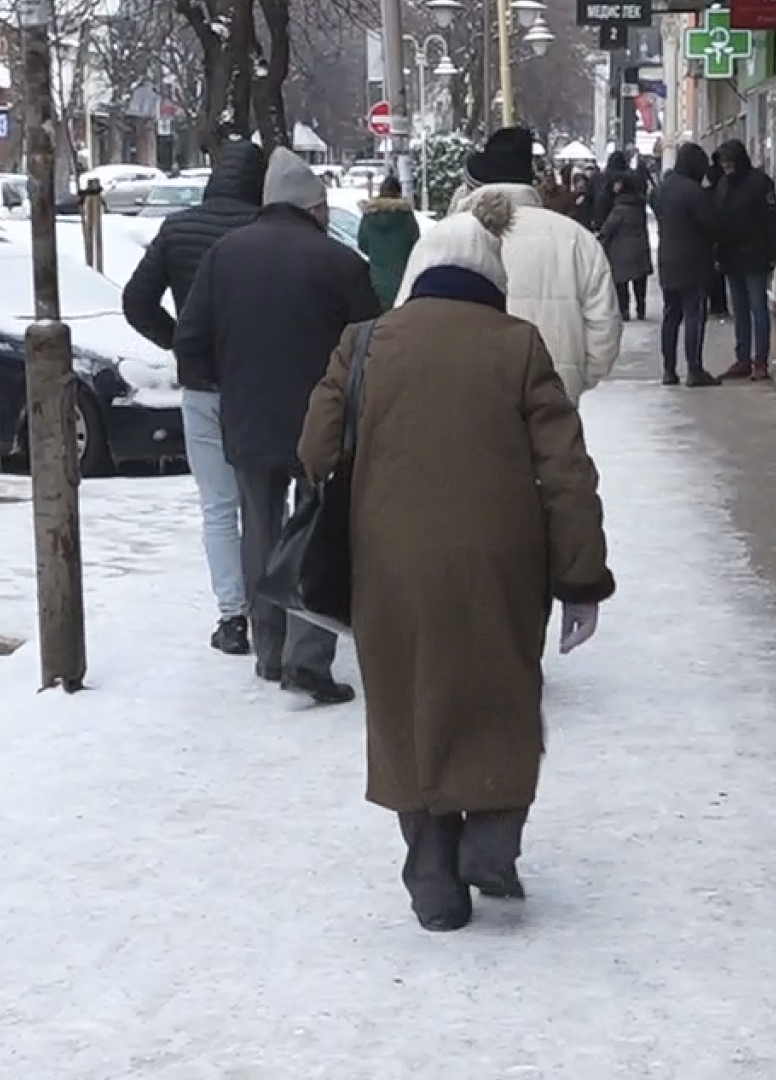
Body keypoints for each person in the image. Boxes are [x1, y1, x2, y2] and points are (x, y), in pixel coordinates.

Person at [299, 191, 614, 933]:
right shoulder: (519, 346)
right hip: (501, 561)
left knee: (407, 704)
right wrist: (580, 576)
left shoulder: (364, 343)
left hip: (389, 561)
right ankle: (491, 842)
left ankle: (434, 880)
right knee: (500, 693)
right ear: (491, 277)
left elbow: (314, 450)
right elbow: (566, 471)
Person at [172, 148, 381, 705]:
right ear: (314, 208)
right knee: (317, 529)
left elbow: (189, 338)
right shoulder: (341, 263)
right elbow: (370, 347)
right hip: (322, 421)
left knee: (259, 527)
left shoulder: (223, 255)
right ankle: (306, 657)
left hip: (248, 415)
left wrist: (227, 379)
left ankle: (267, 649)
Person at [121, 139, 268, 656]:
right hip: (259, 384)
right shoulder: (264, 230)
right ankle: (272, 611)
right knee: (265, 503)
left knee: (218, 506)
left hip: (202, 384)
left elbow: (136, 301)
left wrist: (179, 341)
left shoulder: (178, 228)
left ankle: (232, 616)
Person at [398, 127, 619, 405]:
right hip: (552, 401)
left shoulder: (440, 238)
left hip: (461, 402)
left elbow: (404, 323)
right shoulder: (576, 239)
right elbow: (604, 331)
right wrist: (570, 381)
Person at [653, 142, 723, 388]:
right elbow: (712, 226)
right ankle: (694, 369)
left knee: (671, 315)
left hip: (667, 259)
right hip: (693, 261)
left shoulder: (661, 190)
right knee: (694, 314)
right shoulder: (695, 192)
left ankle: (668, 370)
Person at [711, 139, 776, 381]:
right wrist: (718, 254)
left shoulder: (760, 184)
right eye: (723, 162)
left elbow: (773, 220)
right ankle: (743, 359)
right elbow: (718, 220)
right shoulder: (723, 185)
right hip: (732, 257)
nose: (726, 166)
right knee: (740, 311)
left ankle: (760, 361)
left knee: (758, 308)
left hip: (755, 257)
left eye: (729, 161)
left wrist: (773, 254)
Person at [356, 175, 422, 311]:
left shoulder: (369, 215)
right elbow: (416, 243)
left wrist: (377, 254)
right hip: (403, 280)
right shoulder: (405, 216)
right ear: (398, 193)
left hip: (376, 281)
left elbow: (362, 244)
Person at [598, 170, 653, 320]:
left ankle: (624, 310)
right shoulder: (639, 205)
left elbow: (608, 229)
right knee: (640, 281)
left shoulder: (619, 209)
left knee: (621, 282)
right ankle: (641, 308)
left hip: (621, 250)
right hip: (640, 247)